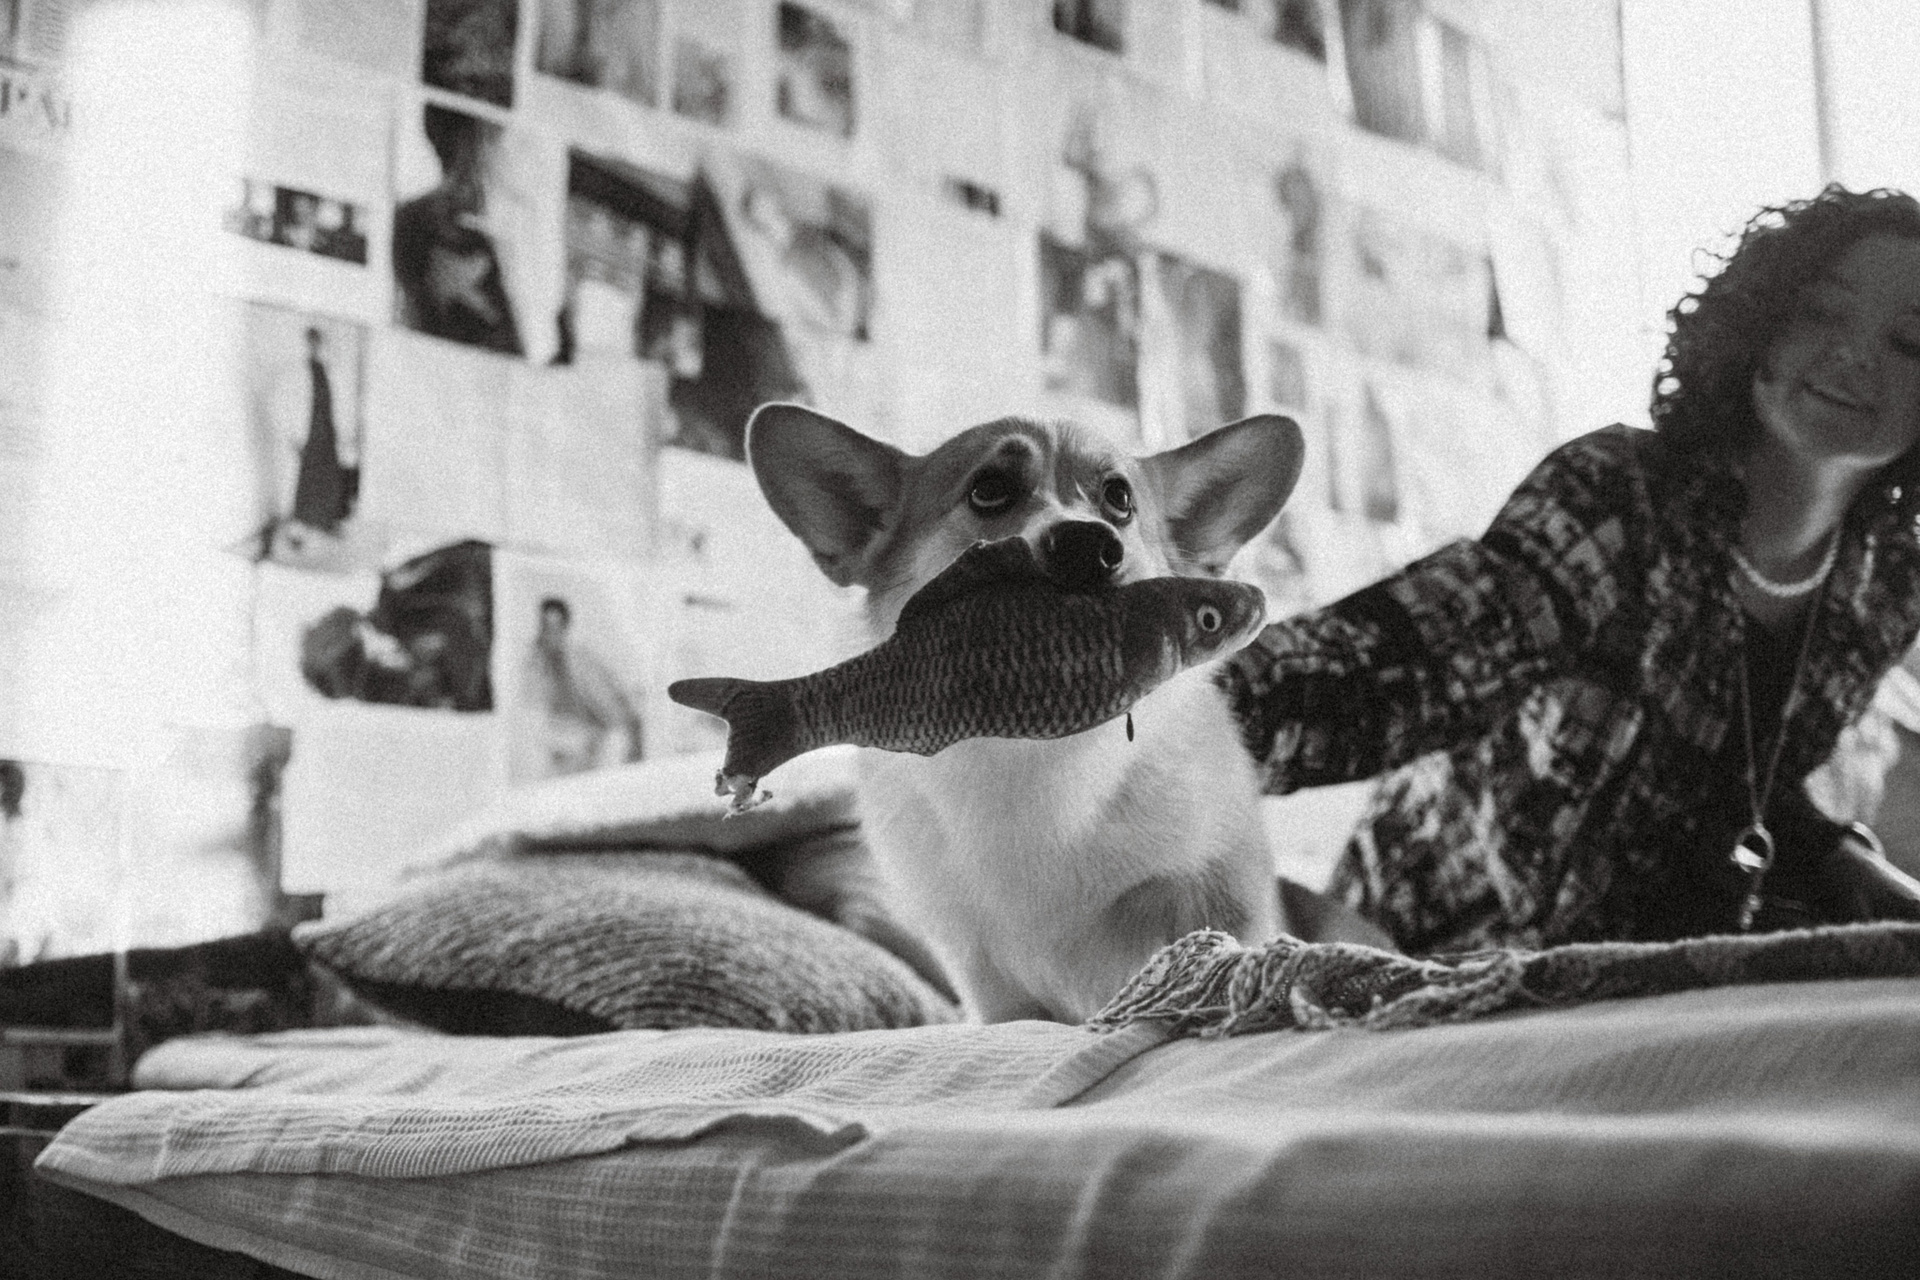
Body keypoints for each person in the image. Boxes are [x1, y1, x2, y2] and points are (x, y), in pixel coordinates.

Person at [1221, 184, 1920, 955]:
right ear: (1761, 323)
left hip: (1639, 990)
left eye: (1909, 342)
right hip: (1420, 959)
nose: (1855, 354)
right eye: (1821, 310)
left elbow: (1737, 779)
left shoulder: (1885, 588)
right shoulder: (1619, 497)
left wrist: (1834, 855)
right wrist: (1173, 712)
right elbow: (1405, 661)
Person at [515, 596, 644, 779]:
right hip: (562, 742)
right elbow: (532, 709)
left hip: (596, 741)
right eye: (545, 627)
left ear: (565, 627)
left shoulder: (581, 660)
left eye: (556, 627)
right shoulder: (534, 663)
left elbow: (612, 704)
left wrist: (623, 732)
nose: (550, 635)